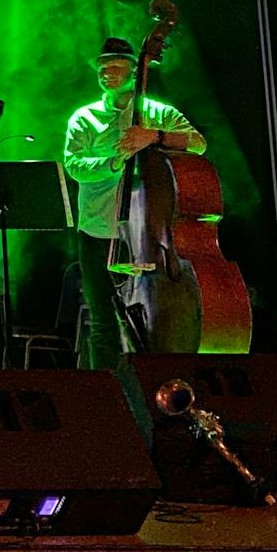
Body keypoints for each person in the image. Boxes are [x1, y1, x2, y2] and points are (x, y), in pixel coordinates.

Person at [60, 36, 204, 369]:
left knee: (157, 321)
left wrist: (154, 136)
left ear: (134, 71)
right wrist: (113, 162)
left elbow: (198, 143)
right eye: (102, 67)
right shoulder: (83, 118)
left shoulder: (156, 112)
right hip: (98, 231)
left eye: (115, 66)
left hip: (148, 236)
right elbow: (74, 165)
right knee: (103, 323)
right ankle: (108, 392)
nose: (107, 73)